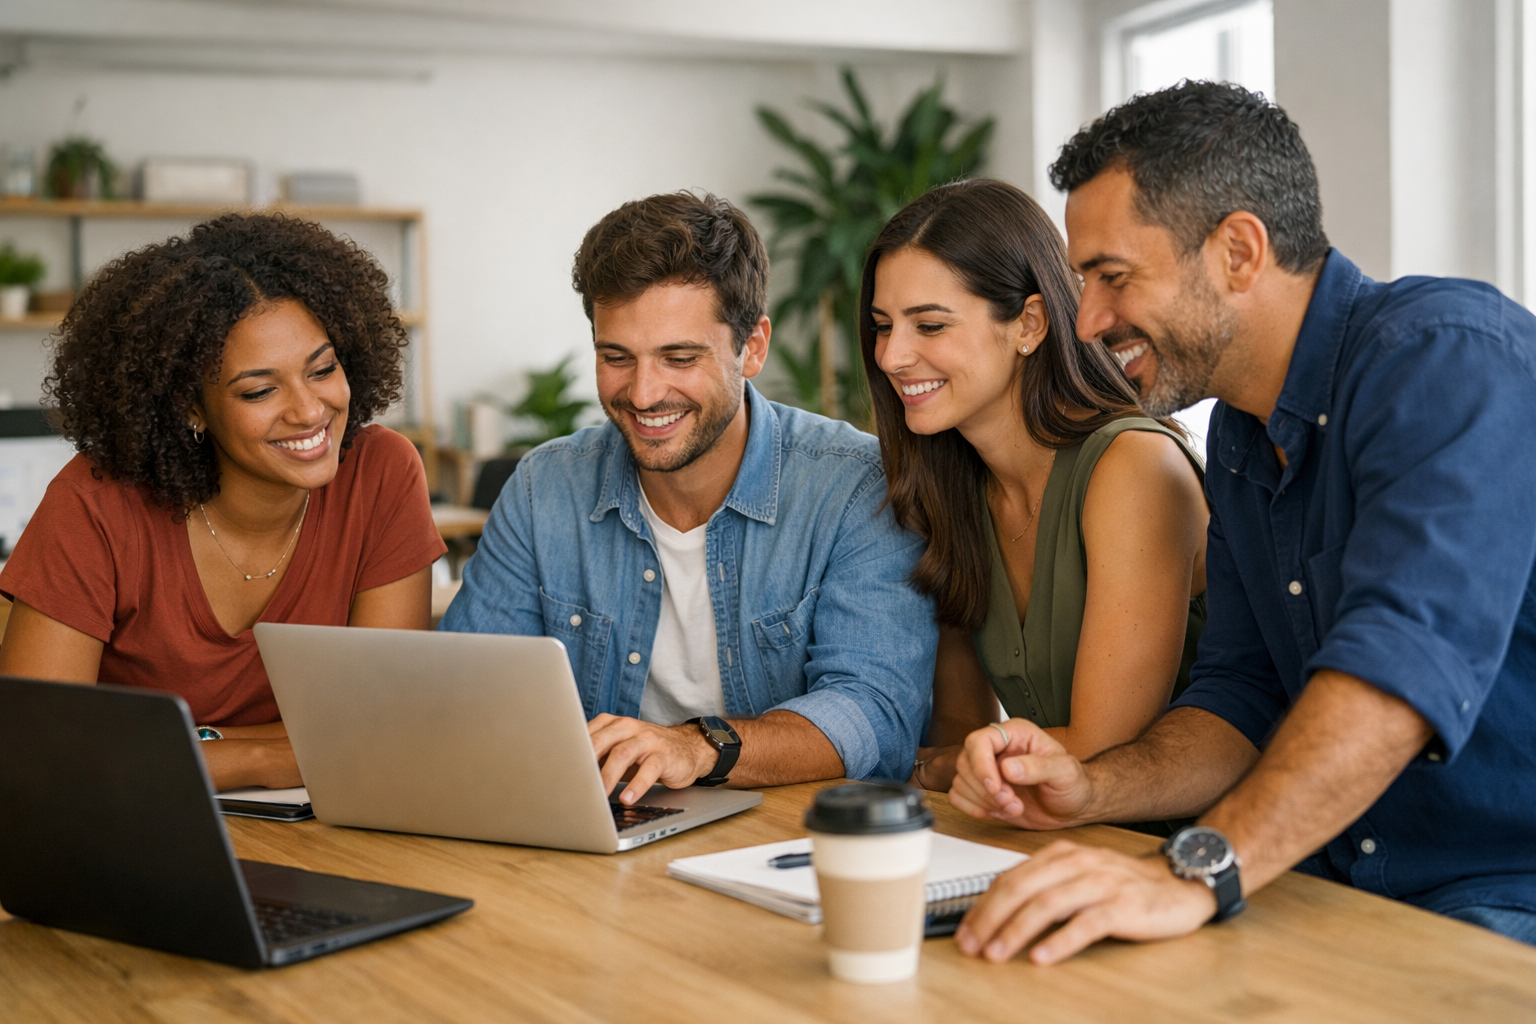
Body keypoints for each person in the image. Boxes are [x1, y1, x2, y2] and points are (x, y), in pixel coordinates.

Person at [950, 80, 1536, 963]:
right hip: (1326, 883)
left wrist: (1192, 871)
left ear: (1238, 250)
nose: (1090, 319)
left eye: (1113, 276)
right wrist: (1091, 789)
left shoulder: (1445, 356)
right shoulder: (1236, 436)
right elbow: (1242, 693)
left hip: (1503, 891)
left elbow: (1397, 672)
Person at [440, 191, 937, 805]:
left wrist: (698, 747)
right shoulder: (546, 487)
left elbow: (875, 714)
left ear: (752, 347)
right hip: (601, 834)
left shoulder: (855, 484)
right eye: (616, 358)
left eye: (679, 358)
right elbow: (472, 695)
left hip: (785, 844)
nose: (644, 394)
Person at [0, 214, 446, 792]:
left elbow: (382, 730)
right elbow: (37, 750)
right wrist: (266, 756)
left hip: (323, 829)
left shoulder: (381, 472)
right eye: (259, 390)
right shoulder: (96, 501)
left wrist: (179, 746)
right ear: (190, 405)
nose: (310, 411)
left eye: (323, 369)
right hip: (129, 833)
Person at [858, 178, 1209, 802]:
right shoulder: (950, 485)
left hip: (1197, 849)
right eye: (884, 326)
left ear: (1029, 322)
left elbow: (1099, 749)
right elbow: (960, 731)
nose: (892, 356)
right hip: (1044, 834)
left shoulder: (1133, 467)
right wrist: (947, 764)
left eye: (930, 325)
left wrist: (944, 767)